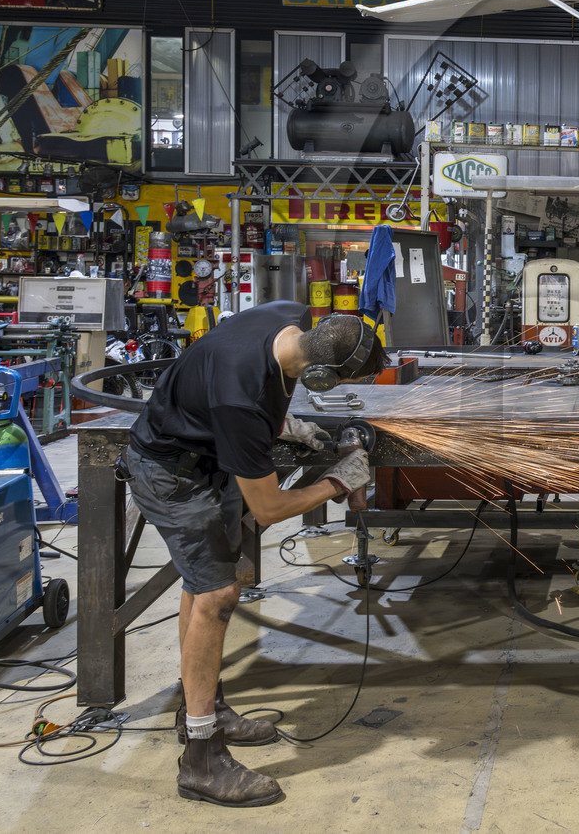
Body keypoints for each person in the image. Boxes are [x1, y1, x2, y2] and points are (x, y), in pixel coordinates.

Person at [119, 302, 387, 807]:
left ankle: (203, 708)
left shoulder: (280, 317)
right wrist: (338, 481)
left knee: (208, 587)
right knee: (217, 592)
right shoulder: (239, 403)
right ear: (325, 376)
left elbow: (247, 384)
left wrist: (284, 426)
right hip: (169, 472)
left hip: (207, 456)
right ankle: (201, 760)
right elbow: (268, 508)